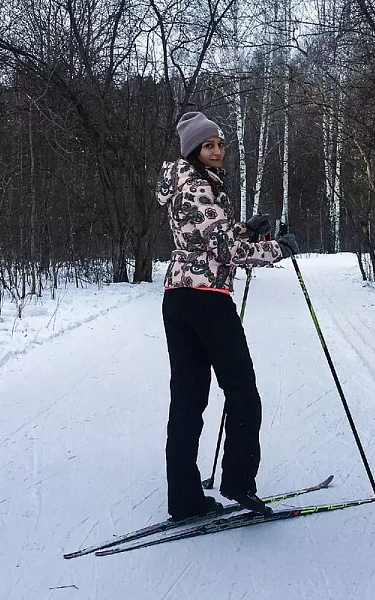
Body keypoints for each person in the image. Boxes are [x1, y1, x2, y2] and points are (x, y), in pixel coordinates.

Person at [156, 111, 300, 521]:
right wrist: (278, 249)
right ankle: (238, 481)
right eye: (209, 145)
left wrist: (247, 229)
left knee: (187, 399)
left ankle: (184, 497)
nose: (217, 151)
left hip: (178, 297)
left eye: (219, 143)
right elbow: (226, 251)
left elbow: (213, 236)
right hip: (207, 300)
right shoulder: (199, 188)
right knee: (242, 392)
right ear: (194, 151)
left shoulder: (186, 185)